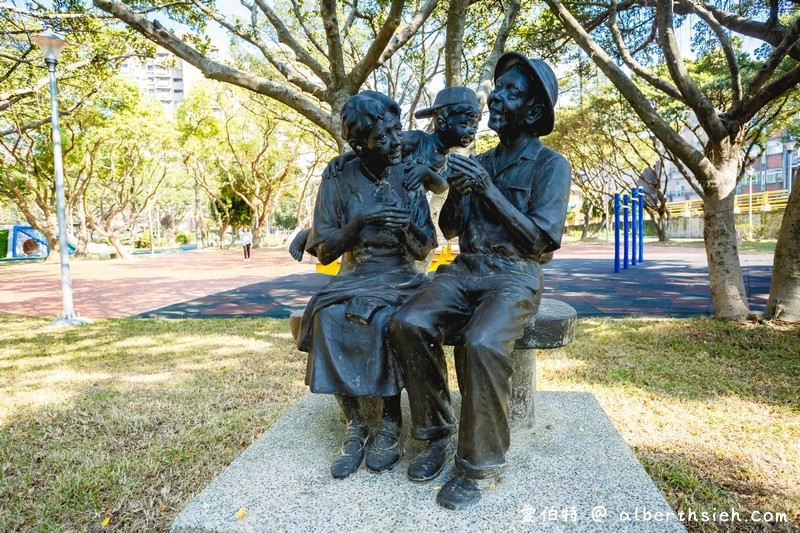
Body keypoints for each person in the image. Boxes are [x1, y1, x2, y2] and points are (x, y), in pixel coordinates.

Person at [388, 53, 572, 510]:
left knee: (482, 341)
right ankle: (434, 432)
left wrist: (487, 189)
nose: (495, 96)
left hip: (515, 274)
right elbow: (450, 229)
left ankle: (479, 464)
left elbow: (539, 244)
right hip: (467, 268)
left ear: (532, 112)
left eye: (511, 92)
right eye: (499, 88)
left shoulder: (550, 165)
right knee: (408, 322)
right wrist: (458, 189)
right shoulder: (477, 161)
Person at [296, 91, 436, 479]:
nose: (394, 142)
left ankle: (391, 421)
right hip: (353, 275)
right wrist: (359, 222)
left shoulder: (408, 175)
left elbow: (425, 247)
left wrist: (404, 225)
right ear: (359, 145)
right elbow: (323, 252)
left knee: (386, 317)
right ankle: (354, 423)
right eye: (382, 137)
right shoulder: (337, 178)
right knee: (329, 315)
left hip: (399, 276)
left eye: (397, 130)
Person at [289, 87, 480, 266]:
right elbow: (368, 146)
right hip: (375, 192)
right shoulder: (417, 140)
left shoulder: (448, 162)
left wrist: (426, 174)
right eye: (465, 124)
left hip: (405, 201)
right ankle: (308, 234)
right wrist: (343, 158)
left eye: (475, 126)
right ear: (442, 122)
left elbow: (441, 187)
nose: (471, 131)